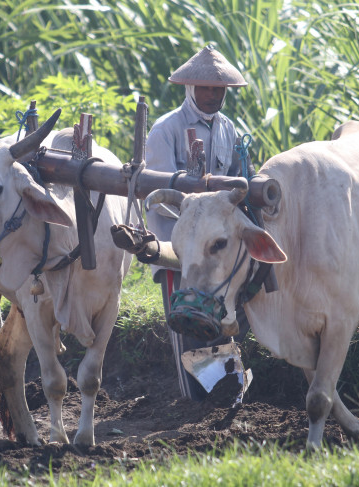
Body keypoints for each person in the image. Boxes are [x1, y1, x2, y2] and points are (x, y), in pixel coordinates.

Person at [145, 45, 251, 401]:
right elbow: (159, 197)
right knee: (186, 315)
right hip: (182, 248)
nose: (211, 95)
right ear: (190, 88)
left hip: (218, 251)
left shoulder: (228, 129)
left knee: (224, 314)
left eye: (217, 89)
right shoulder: (166, 130)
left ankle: (223, 388)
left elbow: (237, 181)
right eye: (204, 88)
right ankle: (193, 398)